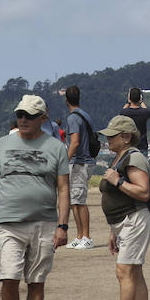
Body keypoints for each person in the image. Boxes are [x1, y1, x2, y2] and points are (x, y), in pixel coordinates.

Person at [0, 94, 70, 300]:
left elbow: (63, 189)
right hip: (9, 222)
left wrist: (63, 226)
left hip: (44, 223)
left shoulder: (56, 147)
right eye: (20, 115)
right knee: (8, 277)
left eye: (29, 116)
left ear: (43, 118)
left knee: (36, 281)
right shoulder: (3, 144)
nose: (23, 120)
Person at [97, 115, 150, 300]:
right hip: (125, 223)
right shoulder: (120, 158)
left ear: (126, 136)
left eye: (112, 135)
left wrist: (117, 181)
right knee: (135, 272)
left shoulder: (134, 158)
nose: (108, 139)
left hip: (135, 220)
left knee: (124, 271)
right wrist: (114, 231)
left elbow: (143, 192)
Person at [65, 84, 96, 249]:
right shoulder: (85, 115)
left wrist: (65, 161)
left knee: (79, 201)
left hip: (79, 162)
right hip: (86, 161)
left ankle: (87, 236)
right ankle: (79, 236)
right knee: (74, 201)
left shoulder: (72, 118)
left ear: (66, 100)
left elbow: (75, 142)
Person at [120, 87, 150, 152]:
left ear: (129, 99)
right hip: (142, 146)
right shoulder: (145, 113)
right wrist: (141, 102)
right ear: (140, 98)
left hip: (128, 146)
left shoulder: (125, 113)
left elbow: (122, 112)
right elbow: (146, 110)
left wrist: (128, 102)